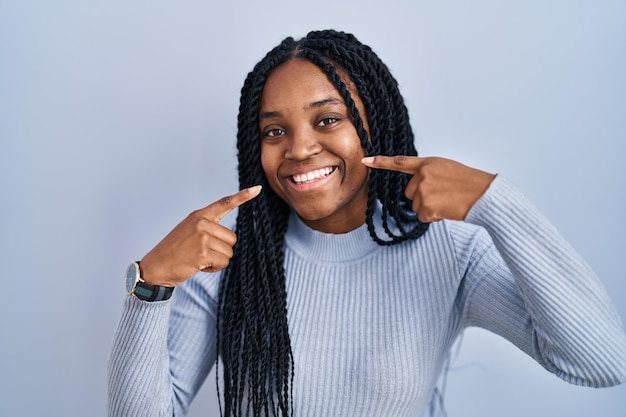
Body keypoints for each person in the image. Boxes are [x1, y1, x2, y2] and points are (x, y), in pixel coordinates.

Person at [108, 30, 626, 417]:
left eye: (328, 119)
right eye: (274, 130)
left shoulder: (447, 250)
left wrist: (495, 202)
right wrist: (150, 285)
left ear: (373, 125)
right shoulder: (229, 260)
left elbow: (601, 362)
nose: (300, 148)